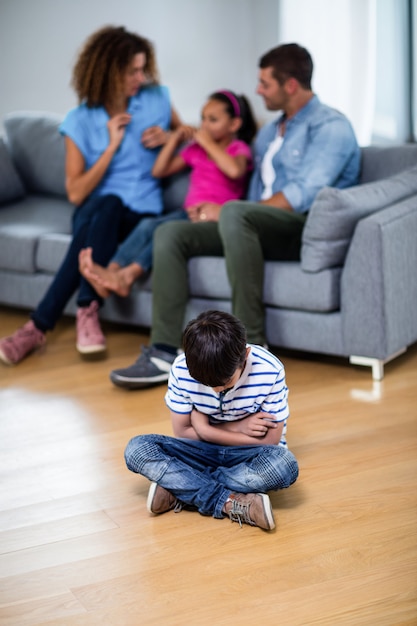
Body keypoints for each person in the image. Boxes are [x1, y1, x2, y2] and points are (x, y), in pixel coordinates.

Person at [109, 42, 362, 390]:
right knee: (170, 234)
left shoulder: (330, 126)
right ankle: (163, 353)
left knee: (233, 214)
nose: (257, 90)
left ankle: (252, 352)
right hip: (252, 225)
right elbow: (245, 188)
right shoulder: (271, 132)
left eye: (265, 83)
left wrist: (229, 211)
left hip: (300, 229)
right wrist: (220, 211)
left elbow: (302, 195)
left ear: (290, 85)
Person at [0, 26, 184, 366]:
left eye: (143, 68)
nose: (141, 78)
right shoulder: (80, 120)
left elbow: (192, 136)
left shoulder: (157, 98)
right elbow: (76, 191)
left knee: (98, 218)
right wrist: (111, 146)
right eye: (132, 71)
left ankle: (38, 327)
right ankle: (87, 309)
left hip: (140, 218)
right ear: (108, 72)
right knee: (105, 204)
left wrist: (171, 135)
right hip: (97, 212)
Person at [124, 310, 299, 531]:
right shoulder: (181, 369)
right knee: (136, 449)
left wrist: (206, 430)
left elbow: (270, 442)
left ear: (245, 355)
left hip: (246, 456)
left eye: (225, 382)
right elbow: (183, 432)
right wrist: (239, 427)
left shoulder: (269, 370)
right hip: (199, 451)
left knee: (284, 465)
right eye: (206, 384)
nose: (216, 390)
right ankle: (228, 502)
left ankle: (180, 488)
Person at [77, 90, 256, 298]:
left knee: (165, 233)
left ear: (234, 124)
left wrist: (206, 142)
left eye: (213, 120)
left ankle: (129, 276)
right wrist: (174, 139)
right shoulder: (196, 150)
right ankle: (113, 271)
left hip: (214, 219)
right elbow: (158, 171)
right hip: (187, 214)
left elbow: (235, 171)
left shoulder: (238, 148)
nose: (204, 125)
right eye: (203, 119)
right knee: (148, 225)